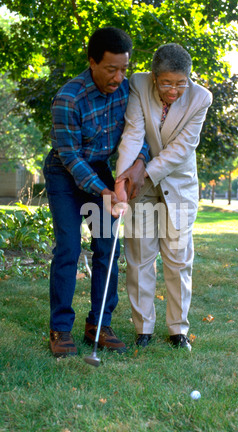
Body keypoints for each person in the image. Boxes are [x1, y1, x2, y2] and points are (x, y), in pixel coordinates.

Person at [44, 27, 147, 358]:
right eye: (111, 69)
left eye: (124, 69)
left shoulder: (126, 91)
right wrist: (104, 192)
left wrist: (138, 164)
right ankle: (60, 329)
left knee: (107, 247)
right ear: (91, 62)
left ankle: (99, 325)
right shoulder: (68, 98)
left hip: (102, 171)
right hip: (65, 176)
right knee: (69, 249)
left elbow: (137, 131)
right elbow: (71, 158)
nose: (118, 77)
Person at [115, 43, 212, 349]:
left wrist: (145, 171)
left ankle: (177, 330)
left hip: (178, 184)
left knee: (178, 259)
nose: (174, 90)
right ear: (155, 77)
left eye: (181, 83)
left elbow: (182, 150)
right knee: (140, 257)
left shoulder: (201, 98)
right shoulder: (139, 84)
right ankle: (143, 329)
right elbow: (134, 132)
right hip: (140, 183)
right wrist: (123, 179)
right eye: (167, 83)